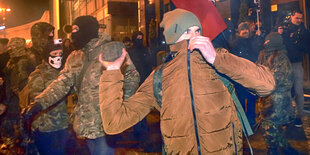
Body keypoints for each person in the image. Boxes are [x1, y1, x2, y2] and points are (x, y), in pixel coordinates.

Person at [98, 8, 275, 154]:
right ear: (172, 37)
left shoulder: (218, 60)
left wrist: (216, 59)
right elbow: (114, 123)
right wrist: (112, 72)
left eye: (197, 30)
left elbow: (267, 85)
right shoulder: (160, 76)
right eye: (186, 31)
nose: (194, 35)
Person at [22, 16, 140, 155]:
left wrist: (122, 109)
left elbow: (132, 77)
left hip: (106, 125)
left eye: (76, 30)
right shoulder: (75, 56)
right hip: (86, 126)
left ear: (88, 30)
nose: (72, 35)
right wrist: (39, 103)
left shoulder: (111, 50)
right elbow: (62, 83)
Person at [257, 32, 299, 155]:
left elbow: (280, 79)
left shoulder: (281, 57)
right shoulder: (263, 55)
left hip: (277, 99)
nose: (265, 43)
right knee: (271, 125)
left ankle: (273, 149)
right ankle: (284, 147)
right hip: (267, 97)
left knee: (270, 126)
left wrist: (263, 80)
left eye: (267, 41)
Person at [26, 41, 69, 155]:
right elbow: (37, 99)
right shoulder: (38, 74)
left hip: (63, 125)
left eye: (60, 53)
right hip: (46, 128)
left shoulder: (64, 72)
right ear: (47, 55)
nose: (58, 56)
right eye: (54, 53)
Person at [282, 9, 310, 127]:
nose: (299, 20)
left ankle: (298, 116)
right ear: (291, 17)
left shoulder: (304, 31)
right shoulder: (285, 28)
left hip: (297, 63)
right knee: (286, 91)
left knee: (298, 91)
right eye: (297, 18)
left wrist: (297, 41)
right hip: (285, 63)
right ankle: (288, 115)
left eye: (300, 18)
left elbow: (307, 48)